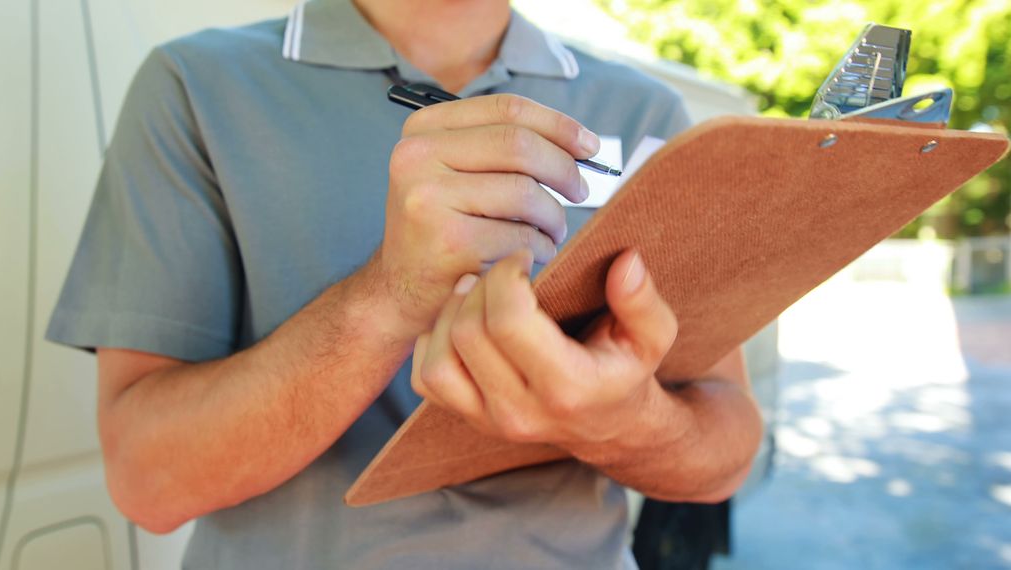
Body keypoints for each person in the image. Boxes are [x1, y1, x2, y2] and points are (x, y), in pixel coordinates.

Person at [48, 0, 763, 567]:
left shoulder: (645, 112)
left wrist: (624, 424)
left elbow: (727, 446)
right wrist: (390, 295)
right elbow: (149, 480)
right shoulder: (194, 87)